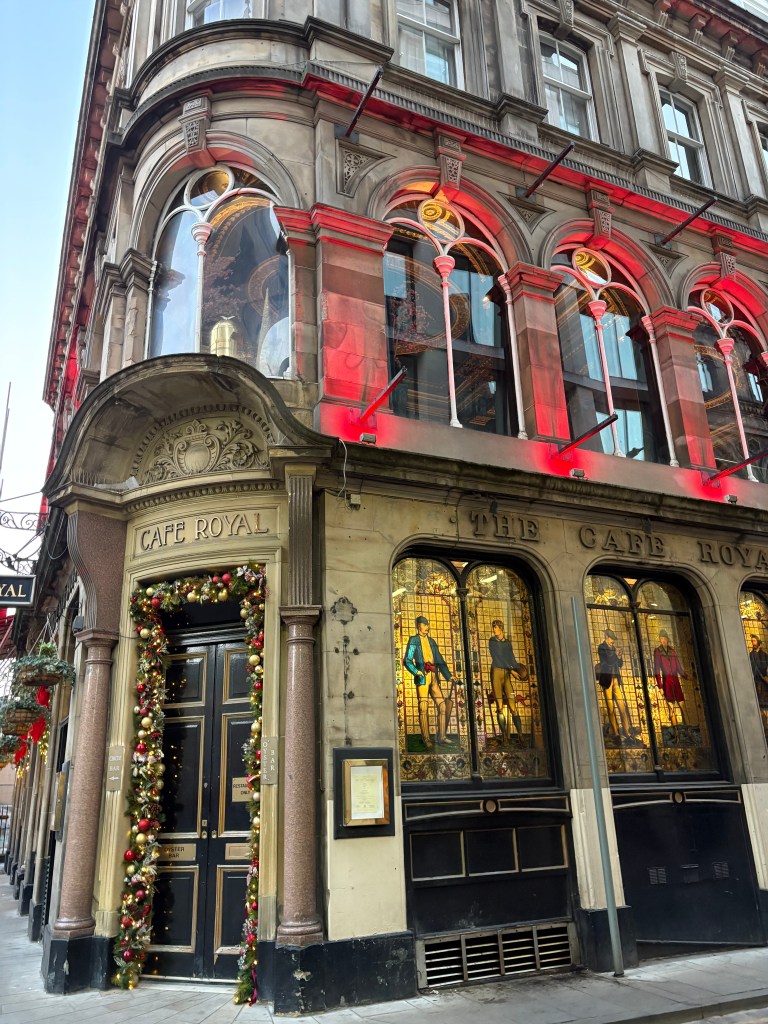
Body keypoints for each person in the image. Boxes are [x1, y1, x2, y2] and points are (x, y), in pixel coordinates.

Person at [403, 615, 459, 749]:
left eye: (427, 624)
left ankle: (442, 737)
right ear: (419, 626)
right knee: (423, 707)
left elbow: (439, 660)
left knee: (442, 706)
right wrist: (416, 672)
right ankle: (426, 739)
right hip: (422, 676)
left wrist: (449, 676)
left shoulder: (432, 641)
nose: (427, 627)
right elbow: (407, 660)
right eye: (424, 624)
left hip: (433, 676)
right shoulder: (413, 640)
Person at [488, 620, 527, 745]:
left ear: (501, 629)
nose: (494, 630)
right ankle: (504, 736)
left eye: (496, 628)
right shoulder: (492, 641)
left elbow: (511, 658)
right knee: (499, 706)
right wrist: (512, 670)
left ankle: (520, 736)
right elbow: (498, 657)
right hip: (496, 673)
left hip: (506, 675)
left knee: (513, 706)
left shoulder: (507, 643)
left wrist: (519, 671)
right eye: (493, 628)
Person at [596, 628, 632, 743]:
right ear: (607, 637)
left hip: (616, 679)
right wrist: (615, 655)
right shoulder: (602, 647)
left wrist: (619, 656)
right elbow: (608, 660)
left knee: (622, 707)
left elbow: (619, 664)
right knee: (610, 708)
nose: (613, 641)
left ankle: (627, 732)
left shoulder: (613, 649)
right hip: (607, 680)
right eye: (612, 639)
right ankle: (616, 732)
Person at [748, 634, 768, 713]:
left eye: (754, 641)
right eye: (752, 641)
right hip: (755, 682)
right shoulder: (750, 655)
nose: (753, 643)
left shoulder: (765, 655)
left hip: (764, 682)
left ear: (759, 642)